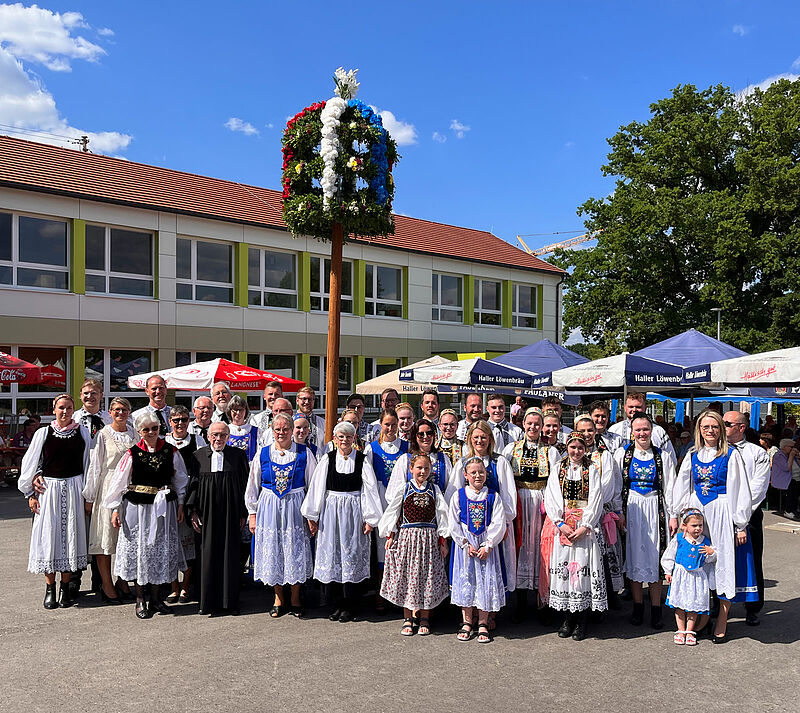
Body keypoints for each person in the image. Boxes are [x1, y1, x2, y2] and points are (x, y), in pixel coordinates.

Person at [672, 409, 751, 643]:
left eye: (715, 426)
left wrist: (740, 524)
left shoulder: (731, 454)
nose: (710, 430)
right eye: (705, 426)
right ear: (699, 429)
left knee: (723, 561)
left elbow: (740, 489)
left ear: (721, 430)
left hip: (722, 510)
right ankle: (697, 617)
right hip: (698, 512)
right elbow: (682, 484)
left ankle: (722, 620)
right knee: (697, 562)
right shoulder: (692, 454)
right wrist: (680, 514)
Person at [104, 411, 188, 619]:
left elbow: (181, 480)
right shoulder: (132, 453)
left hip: (163, 509)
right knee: (141, 550)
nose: (151, 433)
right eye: (146, 429)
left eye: (155, 428)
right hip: (137, 509)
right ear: (140, 431)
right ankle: (140, 598)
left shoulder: (171, 451)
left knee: (159, 551)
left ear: (160, 429)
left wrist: (180, 504)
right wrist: (116, 509)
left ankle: (157, 598)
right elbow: (119, 484)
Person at [301, 421, 382, 622]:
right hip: (331, 512)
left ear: (354, 439)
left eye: (348, 437)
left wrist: (370, 518)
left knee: (351, 555)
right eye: (341, 437)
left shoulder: (362, 460)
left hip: (354, 512)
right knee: (333, 555)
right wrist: (313, 515)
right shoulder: (327, 460)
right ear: (335, 440)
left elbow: (369, 490)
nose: (344, 440)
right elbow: (317, 488)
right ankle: (337, 604)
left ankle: (350, 605)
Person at [19, 394, 91, 609]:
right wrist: (30, 493)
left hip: (75, 489)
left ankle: (65, 589)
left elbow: (88, 464)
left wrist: (88, 495)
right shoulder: (44, 433)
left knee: (70, 538)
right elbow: (30, 463)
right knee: (49, 537)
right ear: (54, 409)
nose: (65, 412)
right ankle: (50, 588)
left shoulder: (82, 432)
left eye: (69, 408)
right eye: (61, 407)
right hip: (49, 490)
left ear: (73, 410)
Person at [246, 414, 317, 617]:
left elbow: (312, 486)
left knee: (294, 549)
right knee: (273, 548)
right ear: (272, 430)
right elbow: (253, 485)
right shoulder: (263, 453)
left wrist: (311, 515)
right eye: (277, 429)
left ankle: (295, 598)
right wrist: (253, 513)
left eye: (286, 429)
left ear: (292, 430)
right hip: (269, 506)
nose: (281, 433)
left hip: (295, 506)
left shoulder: (304, 453)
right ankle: (278, 597)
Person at [613, 412, 678, 629]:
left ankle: (656, 609)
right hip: (632, 508)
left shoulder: (663, 456)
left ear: (652, 431)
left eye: (645, 429)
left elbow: (670, 487)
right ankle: (638, 607)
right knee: (634, 556)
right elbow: (616, 486)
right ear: (632, 432)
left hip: (655, 508)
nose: (642, 433)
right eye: (638, 429)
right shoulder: (622, 454)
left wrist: (674, 515)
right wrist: (618, 511)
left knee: (655, 557)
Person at [540, 432, 607, 641]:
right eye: (573, 447)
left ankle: (582, 620)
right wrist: (560, 523)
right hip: (564, 526)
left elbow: (596, 497)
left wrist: (586, 525)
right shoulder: (559, 469)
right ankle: (568, 618)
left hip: (583, 528)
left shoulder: (591, 470)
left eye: (580, 448)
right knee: (566, 572)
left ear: (585, 449)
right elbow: (551, 496)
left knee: (582, 570)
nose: (576, 451)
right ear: (567, 448)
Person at [378, 453, 450, 636]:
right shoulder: (404, 489)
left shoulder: (434, 490)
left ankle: (425, 617)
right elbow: (393, 512)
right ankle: (408, 618)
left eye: (426, 468)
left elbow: (442, 516)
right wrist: (390, 535)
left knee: (427, 577)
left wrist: (443, 540)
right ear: (411, 469)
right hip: (408, 539)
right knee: (408, 577)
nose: (422, 471)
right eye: (419, 468)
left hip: (428, 540)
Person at [502, 407, 560, 620]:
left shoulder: (550, 451)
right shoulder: (511, 449)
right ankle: (520, 603)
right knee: (521, 547)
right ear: (523, 424)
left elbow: (555, 482)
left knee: (541, 549)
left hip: (541, 502)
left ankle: (542, 603)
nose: (533, 427)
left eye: (537, 423)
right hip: (519, 501)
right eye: (530, 423)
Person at [186, 421, 249, 616]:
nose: (218, 439)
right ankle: (207, 602)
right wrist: (193, 512)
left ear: (228, 437)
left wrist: (242, 513)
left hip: (231, 514)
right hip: (206, 515)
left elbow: (244, 485)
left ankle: (230, 603)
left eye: (222, 435)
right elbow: (193, 486)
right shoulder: (198, 456)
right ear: (208, 436)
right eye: (215, 435)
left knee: (230, 556)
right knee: (207, 556)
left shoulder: (238, 456)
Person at [451, 421, 517, 602]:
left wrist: (504, 525)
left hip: (493, 528)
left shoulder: (499, 462)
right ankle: (470, 612)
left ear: (490, 439)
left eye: (483, 437)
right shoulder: (462, 464)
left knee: (493, 568)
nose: (480, 441)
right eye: (476, 437)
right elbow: (453, 495)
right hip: (468, 530)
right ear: (470, 440)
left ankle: (490, 614)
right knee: (469, 571)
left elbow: (508, 495)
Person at [83, 396, 137, 605]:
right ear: (110, 412)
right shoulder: (104, 434)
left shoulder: (134, 433)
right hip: (107, 488)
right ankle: (107, 585)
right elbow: (95, 467)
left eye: (124, 409)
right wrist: (89, 496)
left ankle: (123, 581)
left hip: (130, 490)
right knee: (105, 539)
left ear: (129, 412)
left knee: (125, 539)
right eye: (116, 409)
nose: (120, 413)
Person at [449, 457, 507, 643]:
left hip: (485, 546)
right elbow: (453, 522)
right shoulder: (458, 495)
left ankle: (483, 622)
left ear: (486, 474)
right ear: (465, 475)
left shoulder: (493, 496)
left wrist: (489, 544)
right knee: (467, 580)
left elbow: (499, 522)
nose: (477, 475)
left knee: (485, 582)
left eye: (481, 472)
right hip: (467, 547)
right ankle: (467, 621)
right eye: (473, 472)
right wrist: (464, 543)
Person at [724, 410, 770, 626]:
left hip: (748, 515)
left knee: (751, 559)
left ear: (741, 427)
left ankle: (753, 607)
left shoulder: (757, 453)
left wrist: (739, 515)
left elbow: (757, 489)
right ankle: (718, 604)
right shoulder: (716, 450)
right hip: (720, 512)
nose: (721, 427)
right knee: (719, 558)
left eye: (726, 424)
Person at [573, 414, 625, 608]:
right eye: (582, 430)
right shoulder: (568, 454)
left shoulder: (603, 456)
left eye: (589, 430)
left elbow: (609, 487)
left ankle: (605, 597)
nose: (586, 434)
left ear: (595, 432)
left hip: (598, 512)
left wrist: (591, 507)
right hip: (575, 514)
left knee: (602, 558)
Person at [364, 408, 409, 605]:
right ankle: (381, 594)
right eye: (387, 424)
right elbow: (368, 481)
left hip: (402, 500)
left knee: (402, 545)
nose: (390, 428)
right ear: (381, 425)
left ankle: (401, 592)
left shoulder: (407, 447)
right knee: (383, 547)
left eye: (393, 424)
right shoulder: (372, 449)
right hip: (381, 499)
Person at [165, 405, 207, 603]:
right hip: (168, 497)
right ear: (170, 422)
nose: (180, 423)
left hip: (191, 494)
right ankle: (173, 586)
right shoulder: (164, 441)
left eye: (183, 419)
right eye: (176, 420)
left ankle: (185, 586)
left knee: (188, 541)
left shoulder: (197, 440)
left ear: (189, 421)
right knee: (170, 542)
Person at [661, 508, 717, 646]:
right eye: (694, 525)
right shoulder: (679, 539)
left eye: (700, 525)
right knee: (680, 605)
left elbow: (709, 561)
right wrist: (668, 571)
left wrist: (711, 553)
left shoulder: (705, 541)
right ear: (685, 525)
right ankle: (680, 630)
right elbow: (669, 555)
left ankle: (690, 631)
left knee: (693, 605)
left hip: (697, 577)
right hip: (681, 576)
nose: (698, 528)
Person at [386, 419, 453, 507]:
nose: (425, 437)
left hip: (437, 512)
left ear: (434, 435)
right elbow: (394, 492)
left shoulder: (443, 459)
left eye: (429, 433)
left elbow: (451, 490)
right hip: (411, 514)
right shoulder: (405, 460)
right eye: (421, 434)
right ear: (415, 437)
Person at [608, 392, 676, 461]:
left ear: (645, 408)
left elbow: (671, 459)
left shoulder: (658, 431)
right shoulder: (614, 430)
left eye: (638, 407)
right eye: (631, 407)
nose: (634, 410)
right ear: (625, 408)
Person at [225, 395, 260, 461]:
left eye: (241, 410)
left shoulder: (256, 431)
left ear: (245, 411)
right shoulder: (225, 430)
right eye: (235, 410)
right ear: (230, 411)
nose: (238, 413)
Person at [770, 439, 798, 517]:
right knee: (793, 486)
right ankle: (788, 510)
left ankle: (794, 508)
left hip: (789, 479)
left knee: (796, 485)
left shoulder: (789, 455)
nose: (792, 449)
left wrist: (798, 457)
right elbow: (787, 468)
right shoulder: (778, 455)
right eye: (791, 447)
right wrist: (792, 456)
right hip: (780, 480)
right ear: (785, 447)